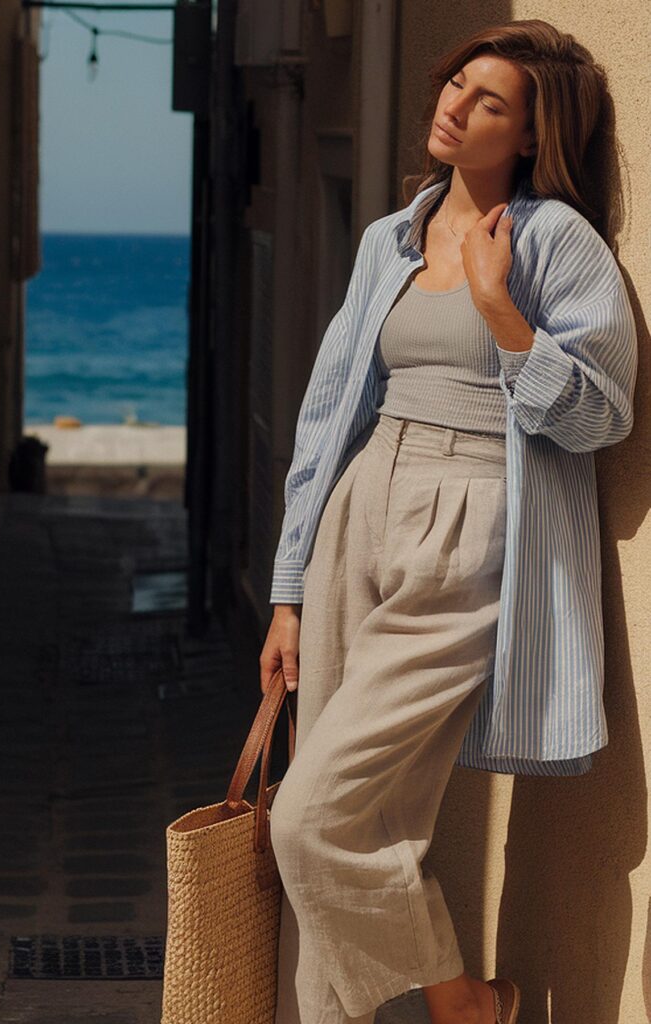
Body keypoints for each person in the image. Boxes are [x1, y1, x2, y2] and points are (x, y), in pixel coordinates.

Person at [259, 18, 638, 1024]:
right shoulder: (391, 234)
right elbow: (325, 409)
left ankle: (461, 997)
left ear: (528, 136)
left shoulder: (555, 240)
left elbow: (602, 412)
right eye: (455, 84)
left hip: (469, 524)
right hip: (361, 510)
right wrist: (287, 586)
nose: (452, 105)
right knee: (355, 820)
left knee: (311, 820)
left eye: (488, 102)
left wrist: (503, 314)